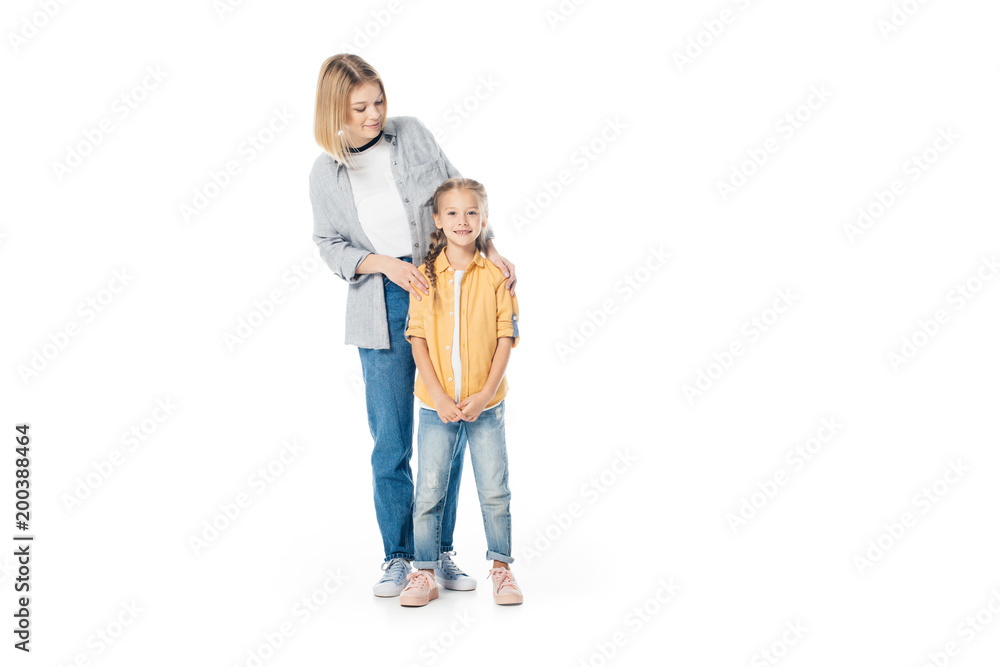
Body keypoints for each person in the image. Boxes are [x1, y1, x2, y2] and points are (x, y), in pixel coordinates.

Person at [308, 55, 518, 597]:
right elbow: (330, 245)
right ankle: (399, 557)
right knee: (391, 440)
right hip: (379, 308)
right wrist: (384, 264)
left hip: (440, 295)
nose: (375, 114)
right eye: (361, 107)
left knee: (442, 431)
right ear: (336, 111)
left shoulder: (413, 135)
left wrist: (491, 249)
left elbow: (458, 196)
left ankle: (438, 553)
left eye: (379, 101)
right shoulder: (325, 173)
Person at [400, 178, 523, 607]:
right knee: (429, 489)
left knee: (494, 488)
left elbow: (506, 336)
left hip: (485, 405)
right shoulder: (424, 277)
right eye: (452, 213)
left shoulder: (496, 277)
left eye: (471, 213)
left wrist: (485, 392)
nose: (462, 221)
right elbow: (417, 338)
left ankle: (502, 570)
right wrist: (437, 394)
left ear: (484, 220)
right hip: (437, 406)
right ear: (437, 219)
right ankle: (425, 573)